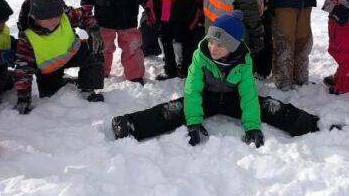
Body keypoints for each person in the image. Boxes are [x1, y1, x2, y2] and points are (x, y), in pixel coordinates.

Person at [111, 11, 322, 146]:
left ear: (232, 47)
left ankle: (312, 124)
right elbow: (192, 90)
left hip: (234, 99)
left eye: (220, 45)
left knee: (269, 106)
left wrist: (252, 126)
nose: (212, 47)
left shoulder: (243, 61)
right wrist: (193, 121)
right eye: (211, 41)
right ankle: (130, 124)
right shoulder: (201, 56)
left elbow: (248, 95)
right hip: (206, 98)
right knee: (174, 109)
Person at [12, 0, 105, 114]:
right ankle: (63, 81)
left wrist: (93, 30)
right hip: (49, 70)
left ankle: (87, 89)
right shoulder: (27, 38)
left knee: (94, 50)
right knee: (50, 96)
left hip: (72, 53)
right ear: (35, 18)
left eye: (57, 16)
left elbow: (84, 15)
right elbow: (23, 69)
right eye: (49, 19)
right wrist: (23, 99)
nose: (55, 21)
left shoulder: (65, 14)